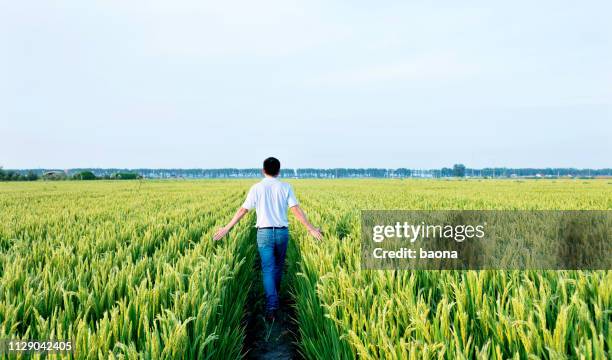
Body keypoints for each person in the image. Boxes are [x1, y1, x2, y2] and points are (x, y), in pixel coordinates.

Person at [213, 157, 323, 320]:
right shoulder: (286, 187)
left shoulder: (256, 188)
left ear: (263, 171)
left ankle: (272, 304)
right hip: (281, 233)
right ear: (279, 171)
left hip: (263, 233)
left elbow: (243, 210)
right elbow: (296, 210)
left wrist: (226, 228)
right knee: (278, 266)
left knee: (268, 268)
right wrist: (311, 229)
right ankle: (274, 297)